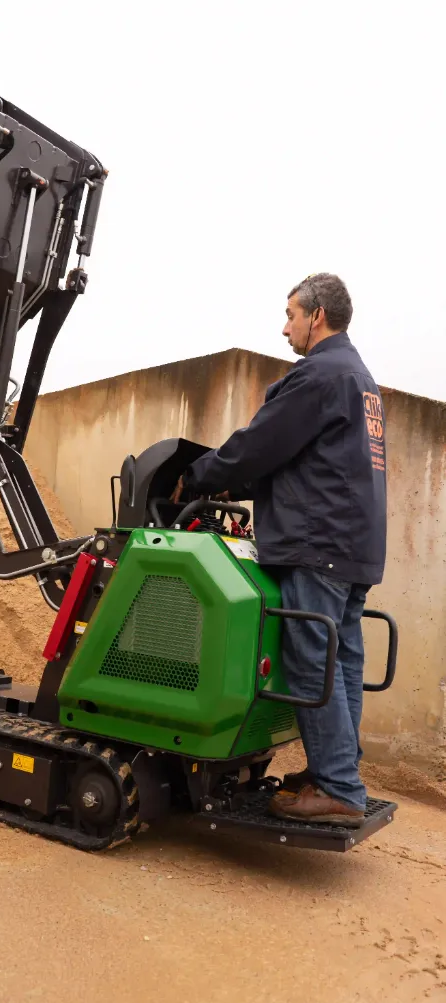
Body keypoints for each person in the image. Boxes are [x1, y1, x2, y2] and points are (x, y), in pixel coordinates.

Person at [172, 273, 387, 827]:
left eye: (291, 315)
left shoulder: (319, 374)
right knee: (340, 663)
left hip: (318, 546)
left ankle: (339, 787)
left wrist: (198, 477)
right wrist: (236, 486)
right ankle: (336, 773)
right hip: (352, 546)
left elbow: (260, 444)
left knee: (312, 662)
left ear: (317, 316)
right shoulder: (359, 378)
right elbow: (306, 461)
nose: (284, 327)